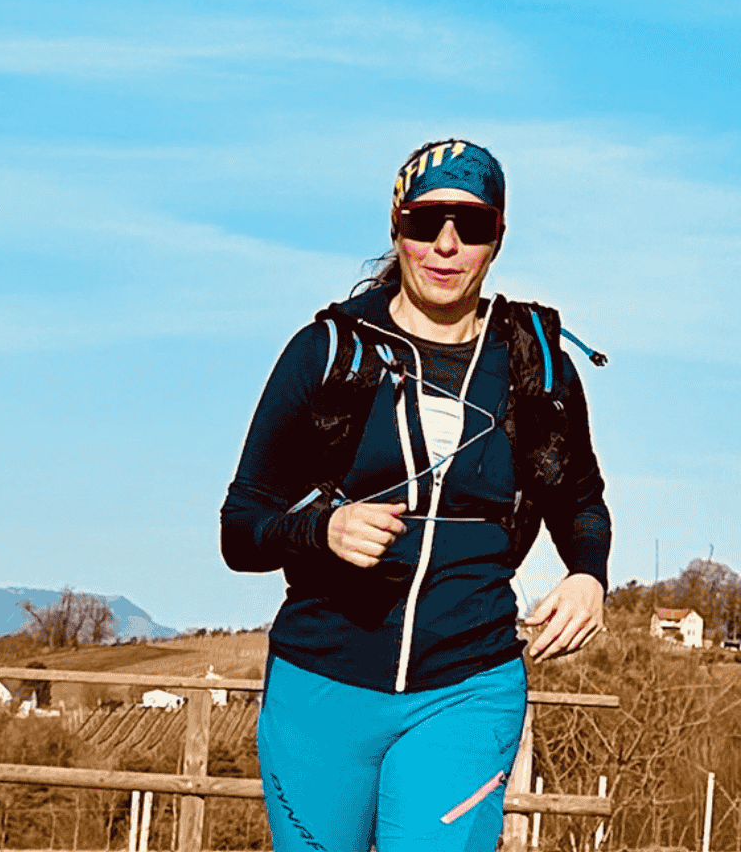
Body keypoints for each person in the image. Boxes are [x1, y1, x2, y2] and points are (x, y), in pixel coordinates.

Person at [220, 139, 610, 852]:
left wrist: (589, 574)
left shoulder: (536, 363)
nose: (446, 245)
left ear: (499, 234)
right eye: (426, 222)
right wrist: (322, 530)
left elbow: (579, 496)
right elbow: (241, 527)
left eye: (473, 224)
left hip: (469, 688)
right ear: (397, 226)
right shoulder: (327, 351)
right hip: (320, 686)